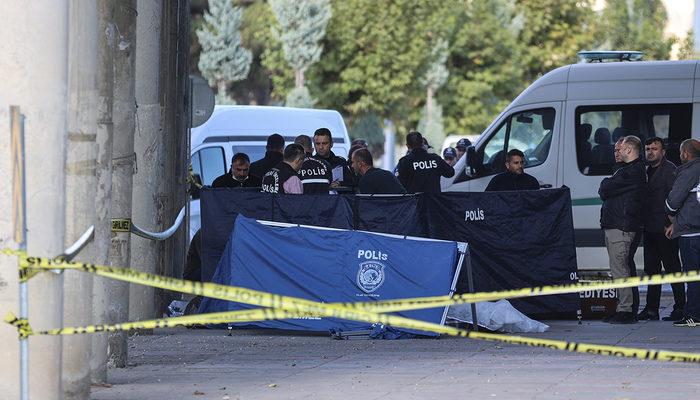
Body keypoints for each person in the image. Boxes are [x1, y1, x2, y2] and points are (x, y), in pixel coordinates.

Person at [598, 135, 646, 324]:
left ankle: (626, 310)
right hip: (617, 225)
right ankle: (624, 308)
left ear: (629, 150)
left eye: (621, 148)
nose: (617, 152)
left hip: (623, 227)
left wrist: (606, 183)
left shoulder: (633, 172)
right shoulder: (625, 170)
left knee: (620, 269)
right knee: (622, 268)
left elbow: (605, 188)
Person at [638, 138, 685, 321]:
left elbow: (676, 200)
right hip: (649, 228)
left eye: (654, 149)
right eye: (647, 149)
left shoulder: (670, 170)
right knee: (652, 271)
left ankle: (680, 307)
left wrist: (673, 223)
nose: (650, 152)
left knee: (673, 269)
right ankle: (651, 309)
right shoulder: (645, 170)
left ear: (663, 151)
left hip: (665, 228)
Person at [665, 138, 700, 327]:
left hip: (691, 234)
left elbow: (673, 202)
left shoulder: (689, 171)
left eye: (680, 153)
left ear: (686, 154)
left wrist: (671, 217)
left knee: (693, 276)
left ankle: (693, 315)